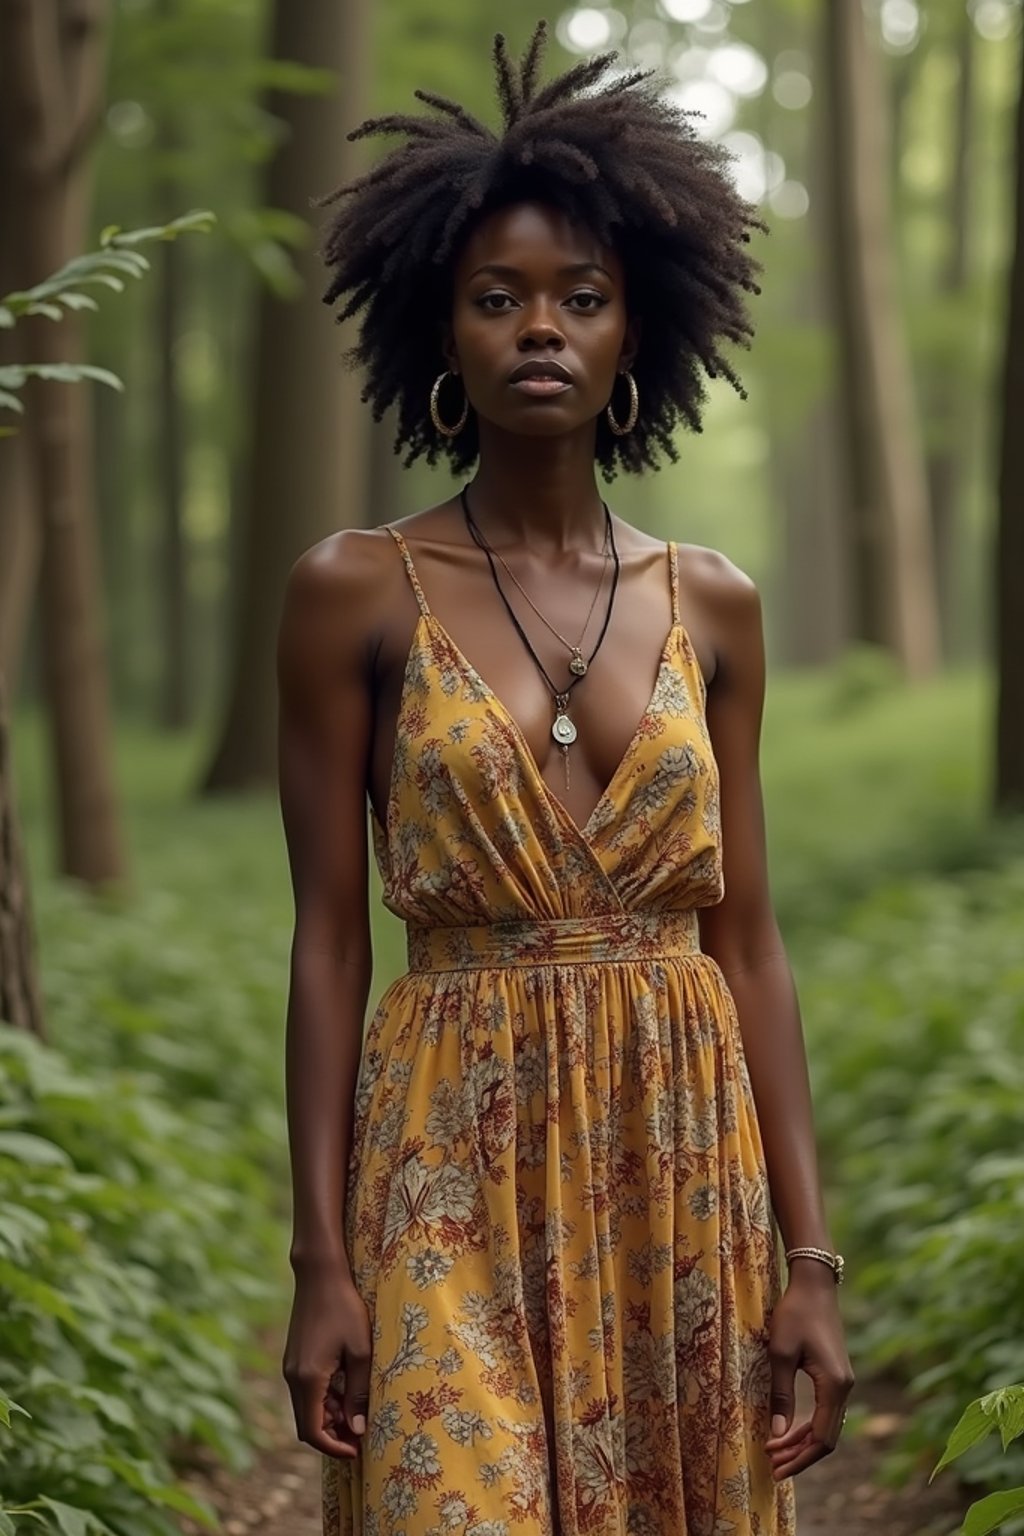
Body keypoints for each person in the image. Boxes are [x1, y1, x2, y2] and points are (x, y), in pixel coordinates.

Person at [278, 22, 853, 1536]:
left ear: (635, 333)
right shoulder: (353, 591)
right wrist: (320, 1263)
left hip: (675, 1152)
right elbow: (331, 940)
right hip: (445, 1154)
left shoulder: (712, 601)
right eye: (499, 298)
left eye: (581, 299)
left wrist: (810, 1264)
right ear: (440, 333)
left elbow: (750, 941)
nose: (542, 328)